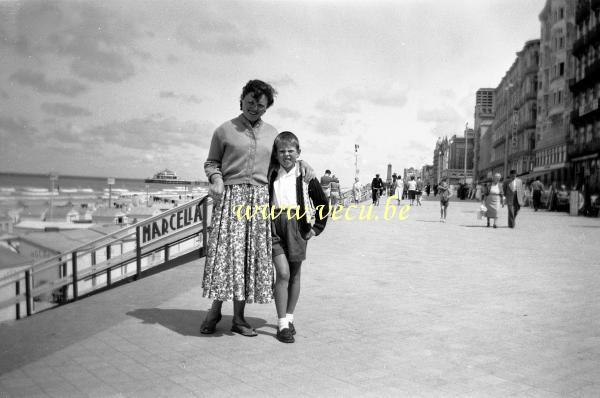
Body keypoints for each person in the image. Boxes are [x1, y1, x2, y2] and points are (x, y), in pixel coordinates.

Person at [200, 80, 314, 337]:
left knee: (246, 260)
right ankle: (215, 309)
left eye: (260, 105)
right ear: (242, 100)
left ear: (267, 108)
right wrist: (217, 179)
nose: (254, 108)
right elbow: (211, 162)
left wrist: (305, 162)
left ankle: (238, 319)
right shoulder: (224, 130)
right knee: (226, 258)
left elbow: (286, 156)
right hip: (231, 199)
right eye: (250, 102)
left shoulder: (272, 133)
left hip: (261, 202)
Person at [268, 131, 330, 343]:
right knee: (282, 273)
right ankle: (282, 323)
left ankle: (290, 317)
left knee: (294, 274)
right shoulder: (271, 173)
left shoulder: (305, 176)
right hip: (274, 225)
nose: (286, 155)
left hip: (298, 226)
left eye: (291, 151)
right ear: (276, 154)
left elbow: (322, 203)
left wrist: (316, 228)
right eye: (282, 151)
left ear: (298, 153)